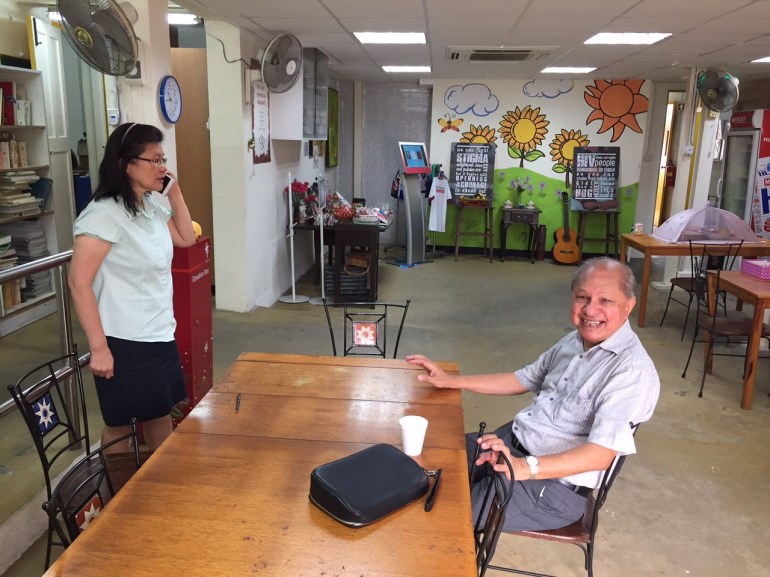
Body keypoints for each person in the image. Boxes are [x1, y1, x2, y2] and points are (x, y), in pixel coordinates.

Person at [406, 257, 660, 532]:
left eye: (605, 301)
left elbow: (600, 456)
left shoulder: (632, 371)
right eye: (582, 297)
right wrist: (452, 381)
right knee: (425, 458)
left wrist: (523, 466)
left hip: (550, 488)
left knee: (442, 520)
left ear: (629, 305)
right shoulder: (574, 341)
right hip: (509, 446)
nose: (590, 310)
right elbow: (522, 378)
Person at [68, 122, 197, 453]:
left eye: (163, 159)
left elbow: (186, 237)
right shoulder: (102, 215)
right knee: (121, 427)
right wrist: (98, 348)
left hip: (159, 332)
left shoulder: (150, 204)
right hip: (124, 340)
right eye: (154, 160)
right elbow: (78, 282)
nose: (162, 167)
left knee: (159, 415)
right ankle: (116, 496)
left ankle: (161, 489)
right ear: (126, 164)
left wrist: (175, 191)